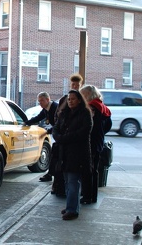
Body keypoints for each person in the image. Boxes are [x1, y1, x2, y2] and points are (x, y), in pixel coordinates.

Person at [52, 89, 92, 220]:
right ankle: (71, 205)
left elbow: (83, 133)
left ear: (79, 100)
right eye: (69, 99)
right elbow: (56, 129)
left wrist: (64, 138)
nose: (70, 101)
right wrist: (58, 137)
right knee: (67, 181)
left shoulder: (85, 114)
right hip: (64, 154)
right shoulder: (64, 113)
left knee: (73, 182)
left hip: (77, 154)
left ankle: (72, 210)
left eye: (73, 99)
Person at [51, 73, 84, 196]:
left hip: (72, 144)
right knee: (59, 166)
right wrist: (57, 131)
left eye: (77, 85)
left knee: (72, 176)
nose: (75, 86)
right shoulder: (64, 99)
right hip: (61, 139)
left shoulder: (82, 102)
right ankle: (58, 187)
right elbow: (57, 116)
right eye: (73, 84)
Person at [79, 85, 112, 204]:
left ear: (87, 95)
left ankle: (87, 195)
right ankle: (93, 195)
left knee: (87, 170)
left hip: (90, 142)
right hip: (98, 141)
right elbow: (108, 125)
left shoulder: (91, 107)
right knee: (94, 170)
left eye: (82, 95)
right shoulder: (103, 107)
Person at [23, 92, 58, 182]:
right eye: (39, 101)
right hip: (57, 134)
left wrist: (47, 132)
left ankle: (53, 176)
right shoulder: (46, 109)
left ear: (48, 99)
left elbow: (59, 124)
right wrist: (26, 123)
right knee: (54, 155)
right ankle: (51, 174)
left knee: (56, 155)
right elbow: (38, 117)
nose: (40, 103)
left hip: (62, 134)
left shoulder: (56, 108)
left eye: (42, 100)